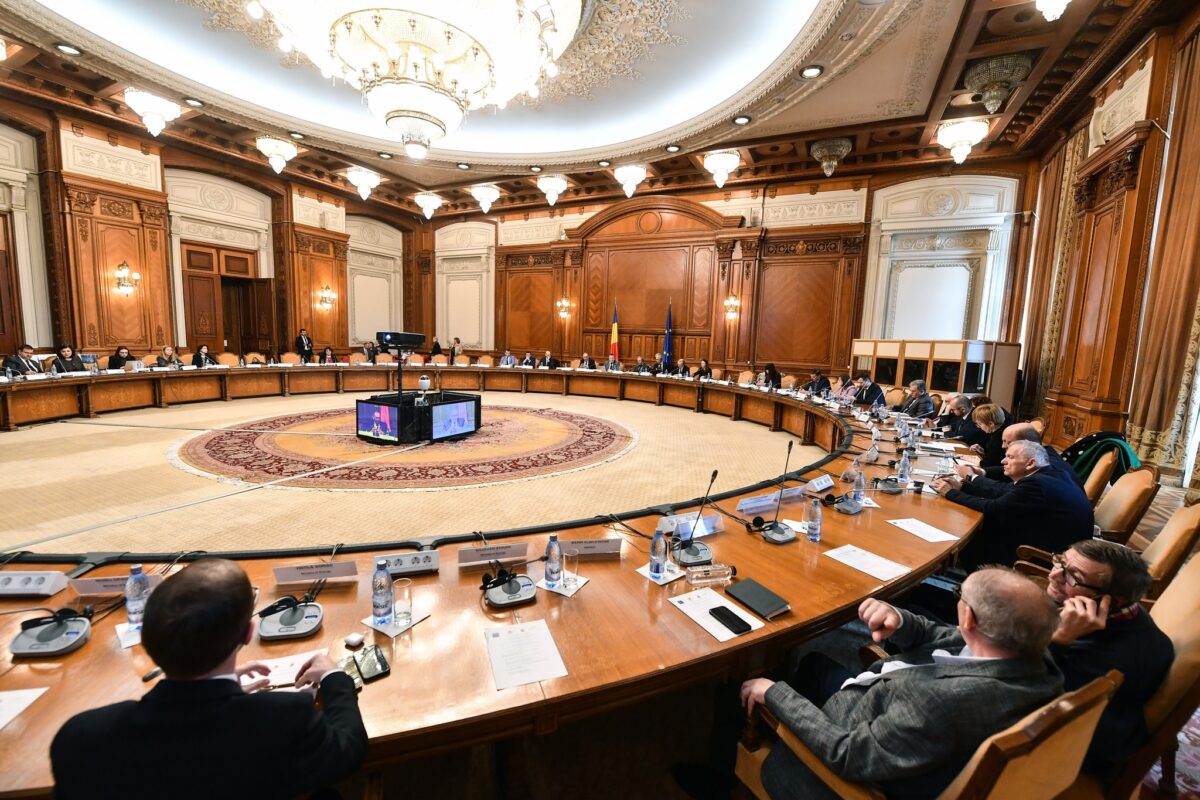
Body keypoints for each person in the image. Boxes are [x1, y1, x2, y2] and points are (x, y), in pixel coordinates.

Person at [50, 559, 367, 799]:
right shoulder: (283, 716)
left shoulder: (79, 738)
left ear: (146, 641)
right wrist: (334, 676)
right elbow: (349, 750)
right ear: (247, 634)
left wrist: (221, 691)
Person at [736, 568, 1062, 800]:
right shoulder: (1028, 655)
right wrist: (898, 618)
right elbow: (940, 636)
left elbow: (846, 753)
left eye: (960, 596)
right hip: (886, 708)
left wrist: (775, 694)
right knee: (814, 665)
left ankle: (729, 765)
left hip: (842, 765)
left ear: (969, 619)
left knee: (750, 690)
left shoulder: (937, 705)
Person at [1045, 539, 1173, 773]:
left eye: (1073, 576)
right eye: (1060, 562)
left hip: (1071, 748)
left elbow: (1028, 686)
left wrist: (1060, 638)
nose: (1054, 575)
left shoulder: (1116, 659)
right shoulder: (1120, 612)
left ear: (1109, 601)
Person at [931, 440, 1094, 568]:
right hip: (1054, 539)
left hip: (1044, 553)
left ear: (1030, 463)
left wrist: (950, 493)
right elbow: (1005, 491)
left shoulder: (1036, 485)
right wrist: (963, 487)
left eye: (1010, 457)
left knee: (970, 534)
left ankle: (975, 586)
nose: (1003, 461)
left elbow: (993, 508)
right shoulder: (1048, 473)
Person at [954, 422, 1083, 488]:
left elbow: (1007, 490)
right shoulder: (1043, 453)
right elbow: (1009, 470)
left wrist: (973, 478)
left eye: (1007, 442)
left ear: (1024, 442)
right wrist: (982, 472)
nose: (1003, 446)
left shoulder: (1047, 466)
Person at [969, 403, 1011, 470]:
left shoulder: (1001, 437)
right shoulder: (997, 431)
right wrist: (983, 452)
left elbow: (990, 463)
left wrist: (969, 459)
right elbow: (994, 456)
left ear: (991, 424)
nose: (978, 427)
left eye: (980, 424)